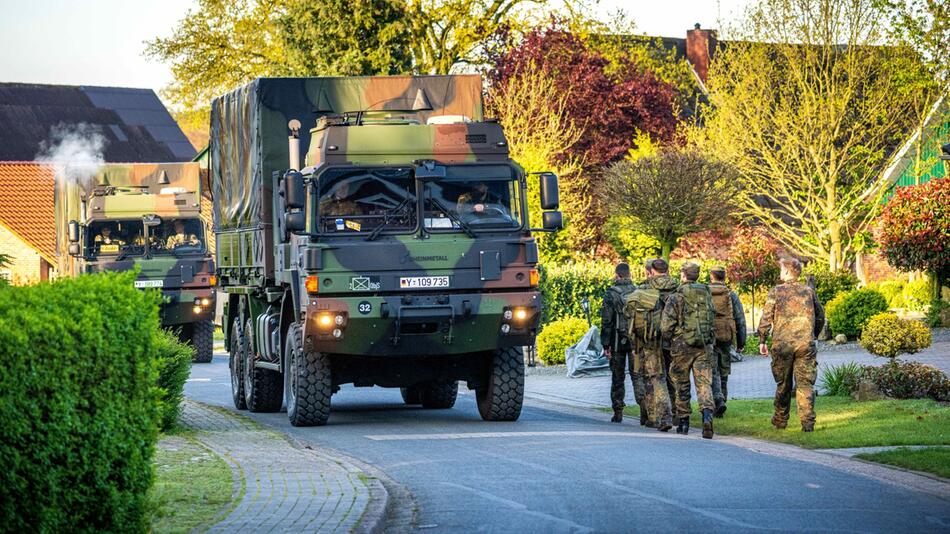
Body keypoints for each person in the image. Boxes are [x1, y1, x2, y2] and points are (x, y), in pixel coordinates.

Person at [757, 258, 825, 432]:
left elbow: (766, 318)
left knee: (783, 384)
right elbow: (820, 316)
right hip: (805, 344)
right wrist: (813, 335)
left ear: (787, 271)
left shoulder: (776, 292)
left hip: (782, 345)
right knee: (805, 384)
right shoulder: (808, 291)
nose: (780, 273)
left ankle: (780, 419)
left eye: (781, 269)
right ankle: (808, 422)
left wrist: (762, 340)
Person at [661, 262, 717, 438]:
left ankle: (683, 421)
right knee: (704, 382)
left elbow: (665, 326)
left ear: (683, 275)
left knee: (681, 382)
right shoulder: (706, 293)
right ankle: (707, 415)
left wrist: (670, 338)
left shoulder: (676, 296)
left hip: (682, 345)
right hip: (704, 345)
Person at [623, 258, 677, 432]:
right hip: (675, 340)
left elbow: (630, 314)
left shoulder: (645, 289)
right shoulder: (678, 288)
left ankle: (660, 416)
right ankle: (678, 414)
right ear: (667, 270)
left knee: (656, 378)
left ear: (652, 271)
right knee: (675, 377)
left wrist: (634, 343)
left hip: (651, 341)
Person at [600, 262, 648, 424]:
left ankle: (618, 412)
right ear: (630, 274)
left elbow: (606, 321)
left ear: (617, 275)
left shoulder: (611, 293)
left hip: (616, 341)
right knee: (638, 375)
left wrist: (605, 345)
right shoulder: (638, 291)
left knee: (617, 376)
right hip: (636, 340)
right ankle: (644, 408)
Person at [708, 266, 746, 418]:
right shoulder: (731, 295)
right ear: (724, 277)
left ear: (711, 276)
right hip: (726, 335)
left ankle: (717, 400)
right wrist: (741, 342)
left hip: (709, 335)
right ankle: (722, 400)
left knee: (712, 370)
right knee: (724, 371)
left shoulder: (705, 292)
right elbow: (740, 319)